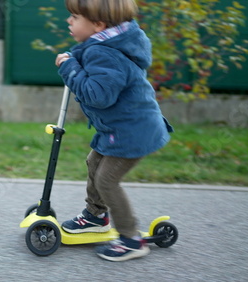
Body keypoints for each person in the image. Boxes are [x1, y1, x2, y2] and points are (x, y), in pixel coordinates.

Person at [55, 0, 174, 262]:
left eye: (75, 17)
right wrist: (75, 61)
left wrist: (69, 68)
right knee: (93, 162)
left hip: (133, 132)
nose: (69, 21)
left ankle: (131, 239)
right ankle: (96, 216)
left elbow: (98, 96)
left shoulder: (105, 53)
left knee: (106, 180)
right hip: (119, 128)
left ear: (98, 25)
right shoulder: (106, 46)